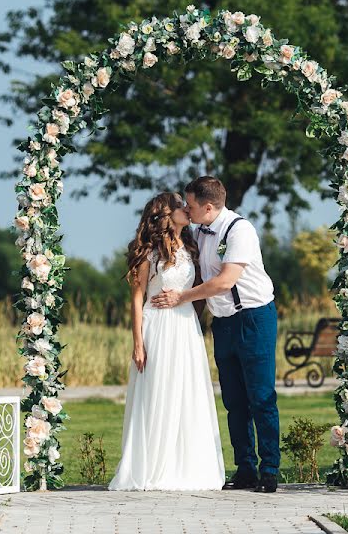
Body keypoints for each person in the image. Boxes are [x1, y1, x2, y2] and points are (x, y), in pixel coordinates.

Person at [151, 176, 280, 493]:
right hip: (222, 323)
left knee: (260, 398)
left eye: (190, 204)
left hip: (253, 318)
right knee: (234, 401)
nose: (186, 208)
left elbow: (224, 282)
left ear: (208, 207)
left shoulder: (240, 231)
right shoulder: (198, 230)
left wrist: (180, 298)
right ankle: (245, 468)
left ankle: (270, 471)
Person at [108, 192, 225, 491]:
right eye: (180, 206)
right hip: (157, 326)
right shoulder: (148, 251)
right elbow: (136, 299)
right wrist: (138, 343)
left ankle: (185, 466)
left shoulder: (191, 245)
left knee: (187, 392)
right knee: (159, 391)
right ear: (165, 213)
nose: (187, 209)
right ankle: (153, 466)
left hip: (186, 327)